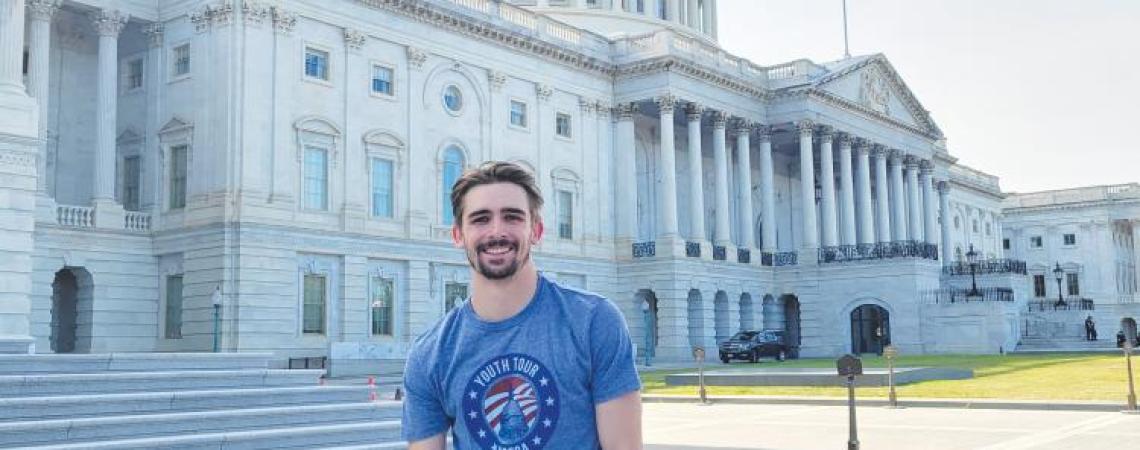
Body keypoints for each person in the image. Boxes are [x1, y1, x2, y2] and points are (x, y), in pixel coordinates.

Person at [401, 161, 642, 450]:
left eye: (512, 217)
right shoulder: (430, 355)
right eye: (480, 219)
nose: (497, 231)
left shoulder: (594, 322)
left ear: (536, 231)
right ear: (458, 235)